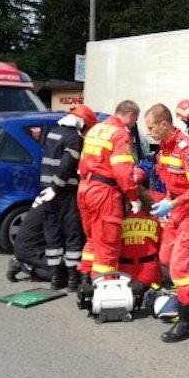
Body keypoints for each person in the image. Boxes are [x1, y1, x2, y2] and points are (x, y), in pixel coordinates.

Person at [145, 104, 189, 342]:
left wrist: (171, 205)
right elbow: (172, 184)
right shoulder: (164, 149)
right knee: (165, 258)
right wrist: (167, 204)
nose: (148, 132)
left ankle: (186, 322)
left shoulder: (188, 150)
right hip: (176, 213)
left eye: (151, 127)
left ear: (164, 124)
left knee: (179, 268)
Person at [77, 100, 141, 285]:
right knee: (107, 245)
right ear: (130, 114)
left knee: (92, 241)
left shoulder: (96, 129)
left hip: (85, 188)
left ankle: (85, 283)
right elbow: (122, 170)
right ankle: (104, 292)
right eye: (134, 120)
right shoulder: (120, 134)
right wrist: (133, 196)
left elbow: (82, 163)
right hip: (104, 192)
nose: (133, 124)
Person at [37, 105, 97, 291]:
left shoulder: (51, 132)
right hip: (65, 193)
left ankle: (56, 277)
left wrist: (49, 188)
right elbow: (66, 165)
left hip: (45, 191)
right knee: (72, 234)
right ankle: (72, 279)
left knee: (52, 234)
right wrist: (56, 187)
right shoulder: (74, 139)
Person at [6, 203, 57, 283]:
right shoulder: (52, 209)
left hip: (26, 246)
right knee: (59, 273)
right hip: (31, 249)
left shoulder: (44, 201)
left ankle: (26, 263)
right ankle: (24, 266)